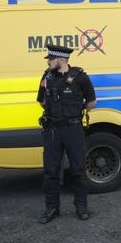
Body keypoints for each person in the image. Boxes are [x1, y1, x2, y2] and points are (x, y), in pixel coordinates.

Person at [36, 44, 97, 224]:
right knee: (50, 171)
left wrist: (75, 113)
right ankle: (52, 208)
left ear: (61, 59)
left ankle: (81, 207)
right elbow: (42, 101)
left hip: (73, 129)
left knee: (78, 170)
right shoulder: (46, 76)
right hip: (53, 129)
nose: (48, 62)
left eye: (51, 59)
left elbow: (92, 101)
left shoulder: (80, 77)